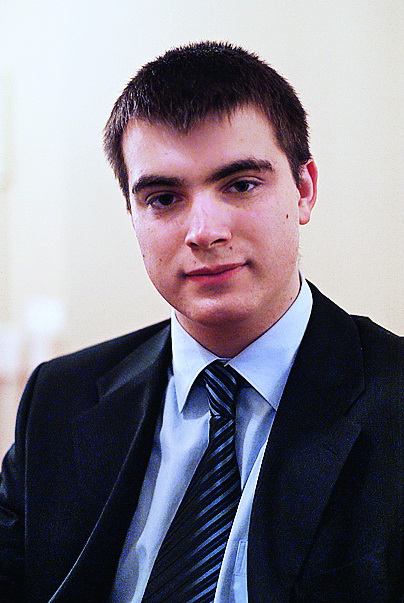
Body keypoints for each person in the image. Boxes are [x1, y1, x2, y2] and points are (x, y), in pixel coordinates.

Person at [0, 41, 402, 603]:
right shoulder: (60, 399)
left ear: (305, 190)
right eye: (164, 198)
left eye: (241, 185)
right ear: (133, 215)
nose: (205, 232)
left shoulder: (393, 399)